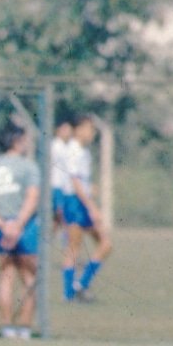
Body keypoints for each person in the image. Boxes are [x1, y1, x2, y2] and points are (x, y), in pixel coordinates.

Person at [0, 124, 40, 339]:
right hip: (26, 226)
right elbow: (32, 198)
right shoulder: (28, 167)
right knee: (29, 277)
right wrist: (19, 224)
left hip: (2, 227)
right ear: (16, 141)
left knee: (6, 276)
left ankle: (6, 327)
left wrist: (3, 225)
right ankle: (24, 326)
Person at [62, 115, 113, 301]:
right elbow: (75, 182)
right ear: (78, 129)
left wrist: (89, 189)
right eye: (89, 128)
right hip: (75, 202)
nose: (92, 133)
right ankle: (70, 292)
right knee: (74, 248)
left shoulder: (83, 151)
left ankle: (80, 285)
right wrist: (92, 206)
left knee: (105, 244)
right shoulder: (74, 150)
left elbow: (80, 180)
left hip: (81, 201)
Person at [49, 119, 73, 236]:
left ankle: (43, 243)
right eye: (65, 129)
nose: (68, 132)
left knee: (58, 218)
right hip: (56, 185)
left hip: (63, 187)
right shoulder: (55, 146)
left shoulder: (65, 146)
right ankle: (68, 244)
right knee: (62, 215)